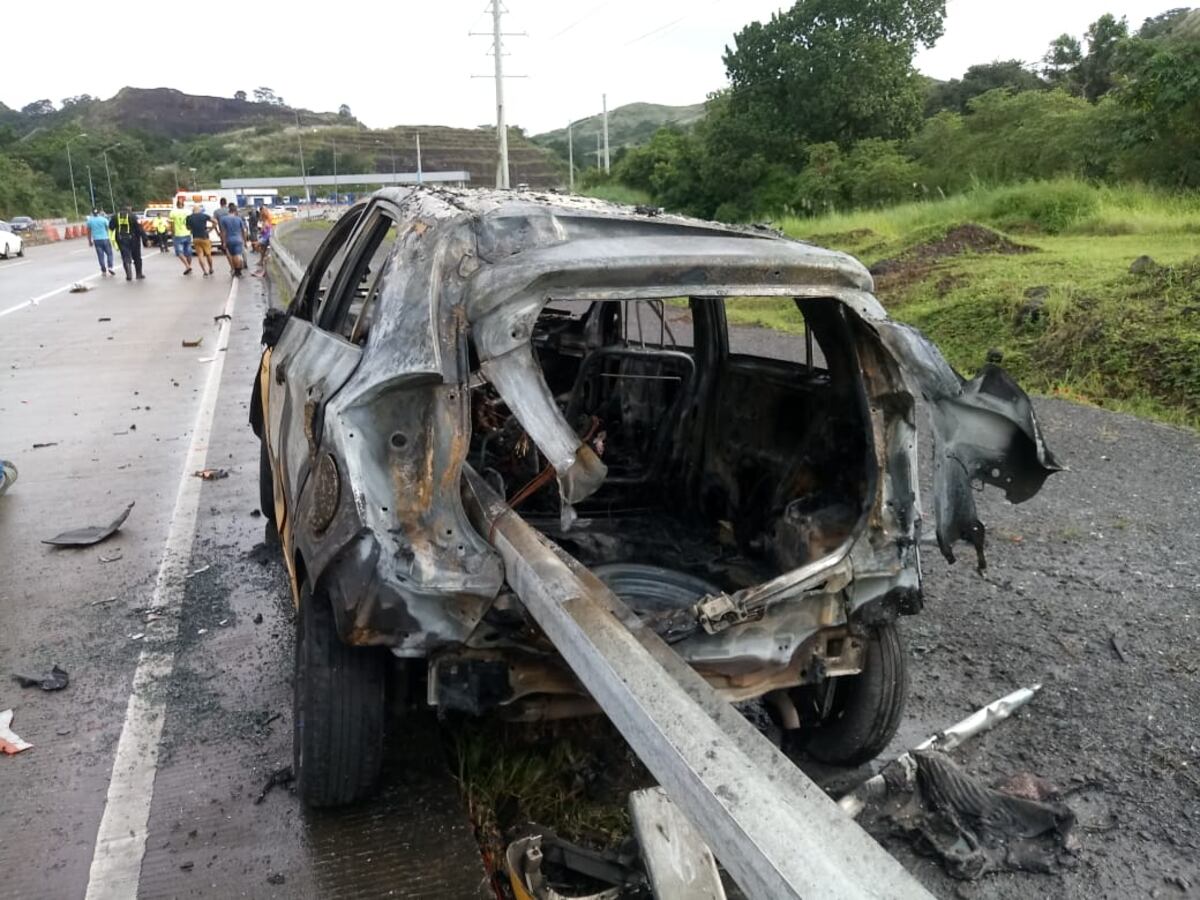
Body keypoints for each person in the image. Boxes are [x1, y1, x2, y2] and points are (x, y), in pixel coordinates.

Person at [110, 205, 145, 281]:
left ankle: (128, 274)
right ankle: (139, 274)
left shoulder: (115, 216)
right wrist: (145, 238)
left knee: (125, 256)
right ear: (129, 208)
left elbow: (111, 227)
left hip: (121, 239)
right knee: (137, 257)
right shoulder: (133, 216)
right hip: (134, 239)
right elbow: (140, 228)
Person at [185, 204, 216, 276]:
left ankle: (205, 271)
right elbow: (215, 221)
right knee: (208, 254)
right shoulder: (204, 216)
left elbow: (188, 228)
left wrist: (192, 229)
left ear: (193, 210)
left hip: (196, 238)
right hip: (205, 237)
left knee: (200, 255)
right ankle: (211, 268)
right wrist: (210, 229)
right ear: (199, 210)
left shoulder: (189, 217)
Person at [220, 203, 248, 277]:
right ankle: (238, 270)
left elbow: (223, 232)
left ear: (229, 211)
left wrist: (224, 242)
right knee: (237, 255)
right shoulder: (238, 219)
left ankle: (236, 270)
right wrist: (245, 241)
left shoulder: (223, 219)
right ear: (235, 211)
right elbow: (243, 230)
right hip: (238, 239)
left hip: (229, 240)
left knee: (232, 256)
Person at [86, 208, 116, 277]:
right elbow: (108, 227)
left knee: (100, 256)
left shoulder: (89, 221)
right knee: (109, 254)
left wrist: (89, 241)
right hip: (105, 238)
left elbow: (88, 232)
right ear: (99, 213)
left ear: (92, 213)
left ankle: (103, 270)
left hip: (96, 240)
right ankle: (110, 267)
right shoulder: (103, 219)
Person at [168, 197, 193, 275]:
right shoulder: (188, 212)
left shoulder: (173, 212)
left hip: (178, 234)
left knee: (179, 252)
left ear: (176, 204)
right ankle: (188, 266)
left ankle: (187, 266)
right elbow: (191, 222)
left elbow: (171, 225)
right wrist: (191, 231)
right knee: (188, 252)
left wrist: (172, 233)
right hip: (187, 233)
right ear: (183, 204)